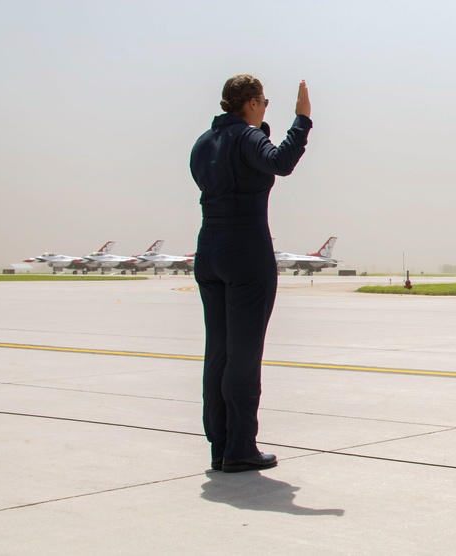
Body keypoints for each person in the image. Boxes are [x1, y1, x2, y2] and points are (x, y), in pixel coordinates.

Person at [190, 75, 312, 472]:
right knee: (245, 354)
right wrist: (302, 120)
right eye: (264, 102)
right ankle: (241, 447)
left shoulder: (203, 143)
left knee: (220, 353)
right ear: (254, 103)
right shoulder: (247, 137)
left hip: (209, 248)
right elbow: (280, 162)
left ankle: (221, 444)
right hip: (246, 251)